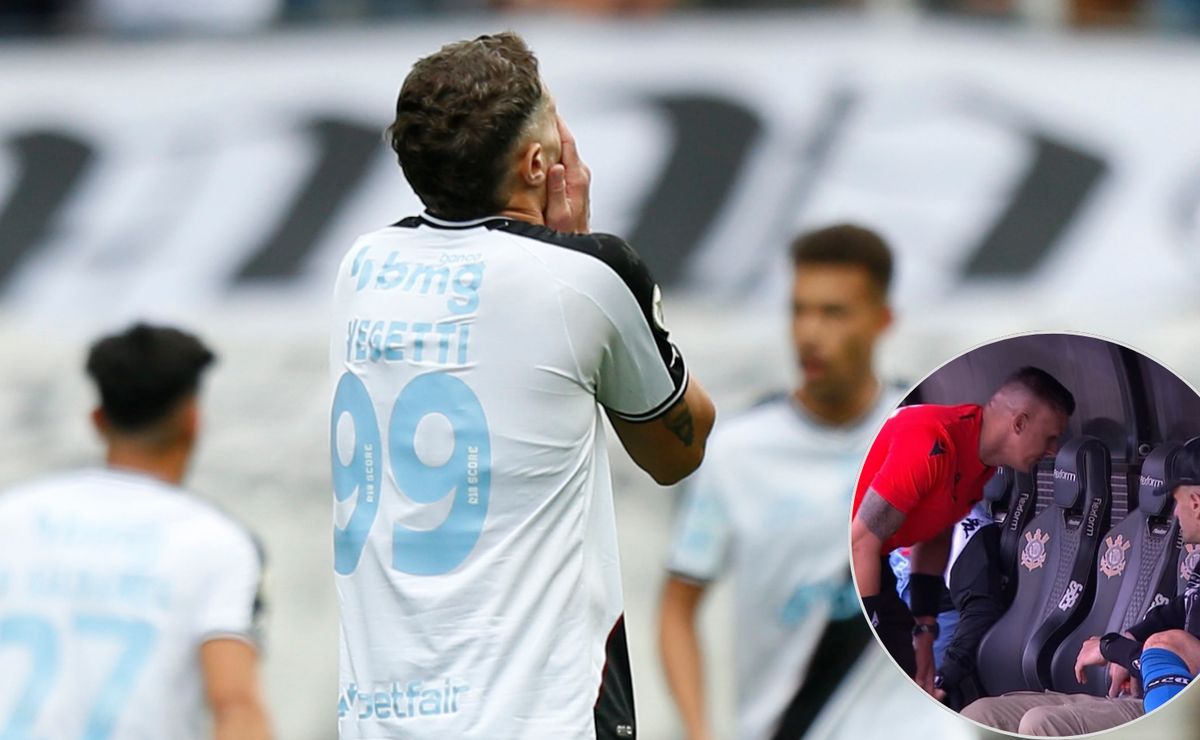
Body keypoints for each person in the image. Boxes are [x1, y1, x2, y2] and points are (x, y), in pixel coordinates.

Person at [329, 32, 716, 740]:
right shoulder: (586, 276)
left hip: (382, 723)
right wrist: (576, 245)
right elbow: (676, 452)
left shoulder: (360, 267)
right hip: (539, 718)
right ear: (538, 163)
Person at [658, 224, 900, 740]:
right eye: (798, 310)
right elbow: (678, 607)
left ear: (882, 320)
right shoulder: (736, 452)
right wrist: (698, 731)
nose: (810, 332)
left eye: (833, 312)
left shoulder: (938, 440)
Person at [0, 323, 271, 740]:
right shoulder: (218, 543)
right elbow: (234, 704)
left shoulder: (12, 517)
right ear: (193, 420)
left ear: (97, 420)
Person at [851, 366, 1074, 695]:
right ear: (1020, 423)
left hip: (870, 559)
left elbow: (935, 536)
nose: (1054, 450)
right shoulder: (930, 443)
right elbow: (860, 542)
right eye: (1050, 437)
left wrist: (924, 628)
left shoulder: (977, 462)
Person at [962, 445, 1200, 735]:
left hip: (1176, 712)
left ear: (1196, 504)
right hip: (1145, 696)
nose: (1174, 512)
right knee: (980, 715)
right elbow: (1180, 608)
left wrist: (1118, 651)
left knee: (1042, 723)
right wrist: (1131, 636)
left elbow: (1176, 654)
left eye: (1176, 501)